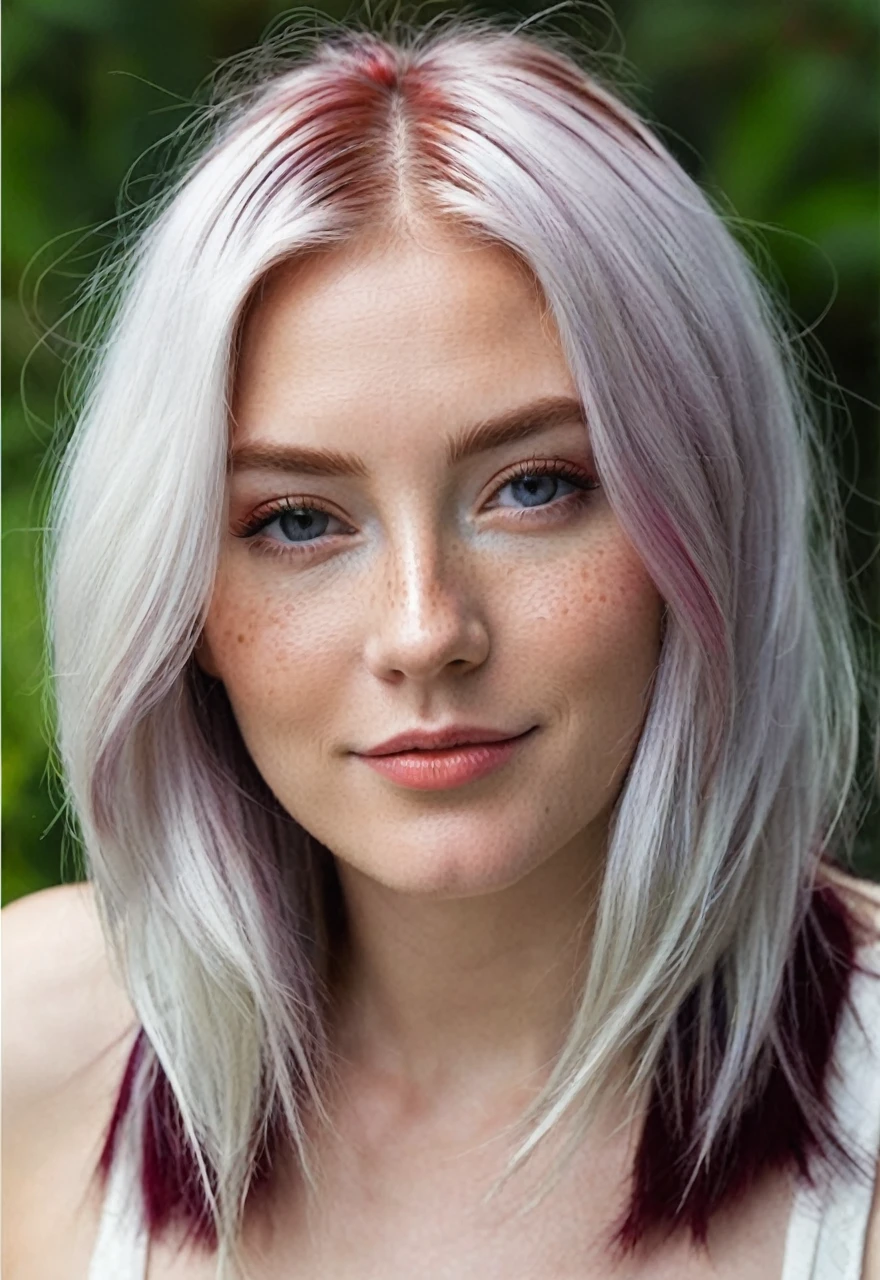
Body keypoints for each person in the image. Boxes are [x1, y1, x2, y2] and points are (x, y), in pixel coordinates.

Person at [3, 13, 880, 1280]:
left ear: (704, 515)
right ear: (179, 596)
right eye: (297, 519)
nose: (425, 630)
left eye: (535, 486)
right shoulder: (33, 1057)